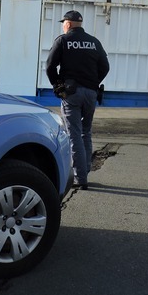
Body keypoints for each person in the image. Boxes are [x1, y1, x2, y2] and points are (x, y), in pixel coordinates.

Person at [46, 10, 110, 189]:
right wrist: (93, 82)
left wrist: (57, 85)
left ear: (68, 24)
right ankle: (85, 170)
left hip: (71, 94)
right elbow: (105, 66)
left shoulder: (63, 40)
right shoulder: (94, 42)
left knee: (73, 134)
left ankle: (80, 179)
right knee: (86, 132)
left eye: (63, 23)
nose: (63, 26)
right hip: (91, 93)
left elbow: (50, 66)